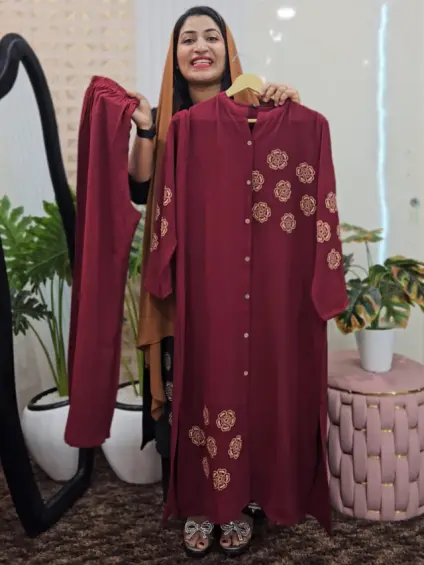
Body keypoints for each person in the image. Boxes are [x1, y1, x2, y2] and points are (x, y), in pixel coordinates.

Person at [127, 6, 301, 557]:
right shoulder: (171, 120)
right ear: (175, 55)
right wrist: (147, 127)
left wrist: (284, 107)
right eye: (188, 39)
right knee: (191, 382)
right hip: (184, 282)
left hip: (245, 280)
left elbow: (286, 174)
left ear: (229, 51)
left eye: (211, 37)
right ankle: (200, 502)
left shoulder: (258, 111)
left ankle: (243, 498)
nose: (200, 47)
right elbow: (140, 188)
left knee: (244, 383)